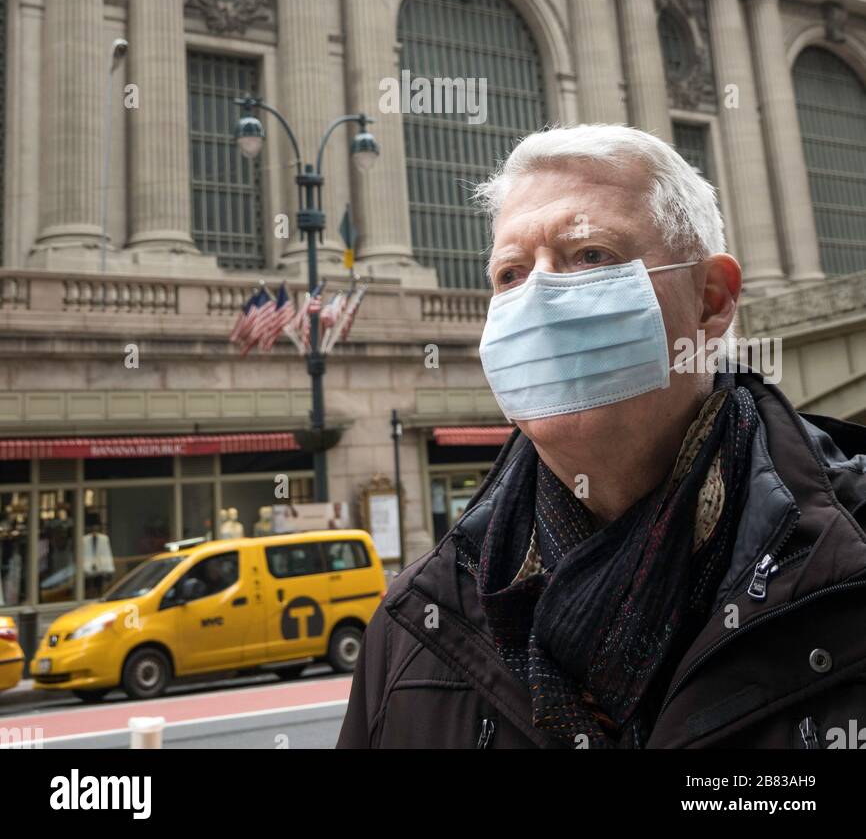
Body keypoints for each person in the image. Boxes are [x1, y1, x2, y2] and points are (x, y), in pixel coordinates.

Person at [338, 124, 866, 749]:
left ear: (711, 299)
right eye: (510, 275)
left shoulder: (846, 559)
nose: (537, 298)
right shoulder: (413, 624)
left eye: (590, 256)